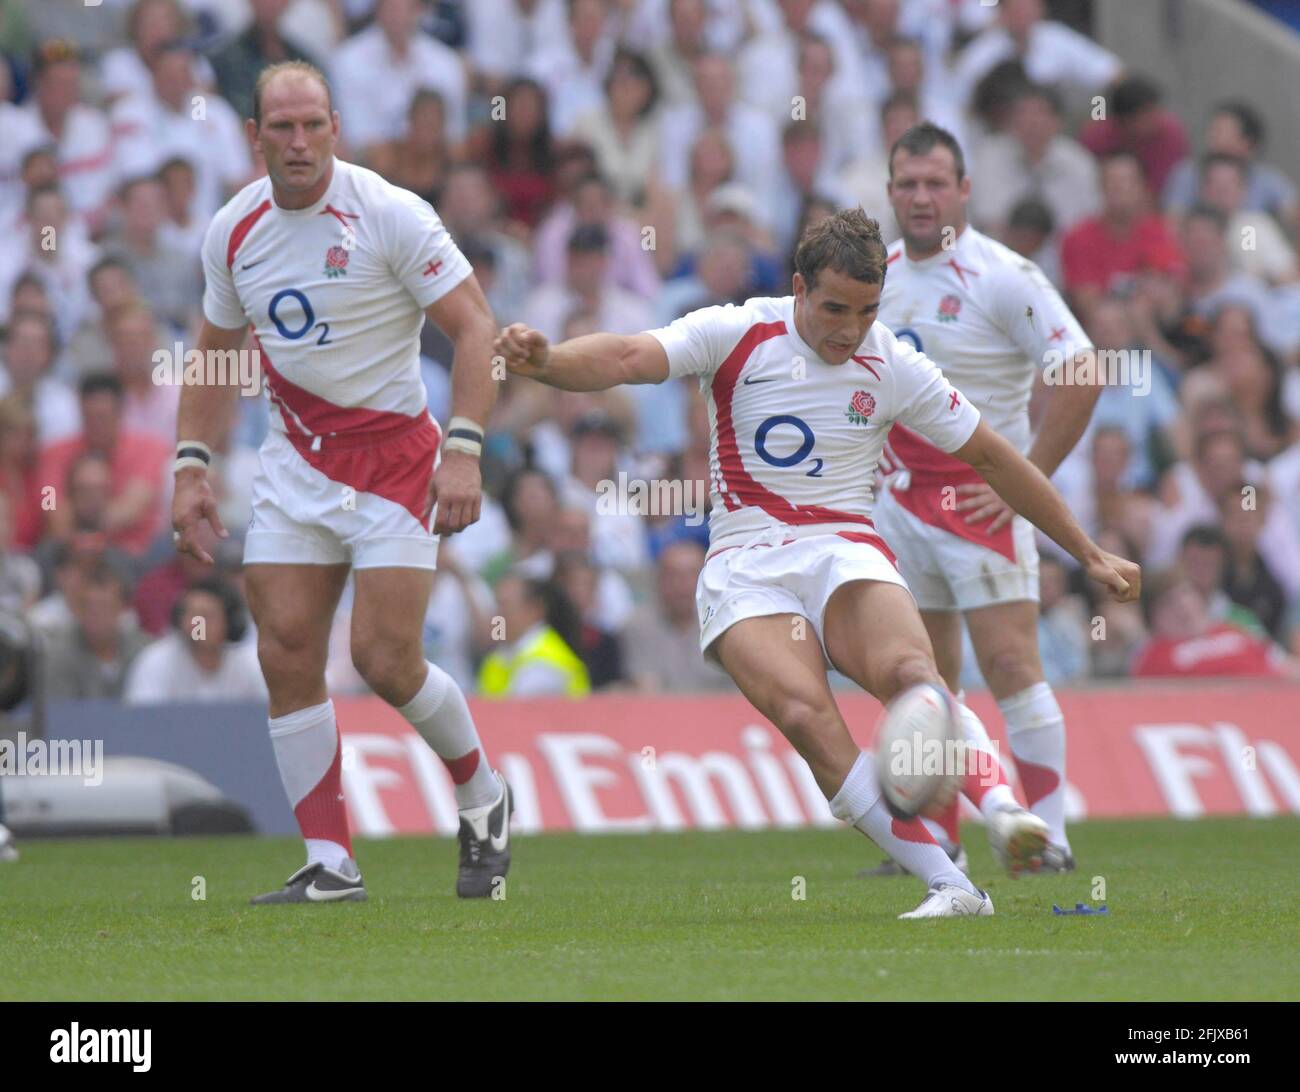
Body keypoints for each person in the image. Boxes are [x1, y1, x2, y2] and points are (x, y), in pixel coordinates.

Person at [494, 206, 1140, 919]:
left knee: (913, 676)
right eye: (835, 308)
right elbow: (625, 358)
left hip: (844, 548)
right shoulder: (739, 331)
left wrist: (1085, 549)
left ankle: (1005, 811)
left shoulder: (890, 360)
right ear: (799, 287)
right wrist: (548, 361)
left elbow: (992, 455)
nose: (849, 329)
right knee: (808, 716)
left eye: (867, 311)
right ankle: (952, 886)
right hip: (746, 563)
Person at [172, 62, 508, 905]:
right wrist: (190, 465)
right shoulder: (233, 230)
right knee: (284, 646)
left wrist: (463, 449)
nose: (297, 143)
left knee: (385, 659)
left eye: (311, 125)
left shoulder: (389, 212)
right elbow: (213, 352)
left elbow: (475, 327)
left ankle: (483, 795)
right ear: (255, 139)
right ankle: (331, 860)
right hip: (297, 461)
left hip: (396, 461)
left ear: (336, 129)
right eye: (280, 129)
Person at [870, 123, 1100, 874]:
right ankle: (941, 844)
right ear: (890, 191)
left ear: (965, 190)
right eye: (908, 183)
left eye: (937, 183)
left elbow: (1081, 370)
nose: (922, 196)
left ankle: (1052, 837)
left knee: (1010, 664)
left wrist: (1026, 481)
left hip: (978, 506)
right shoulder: (878, 276)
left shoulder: (1003, 276)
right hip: (900, 505)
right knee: (925, 679)